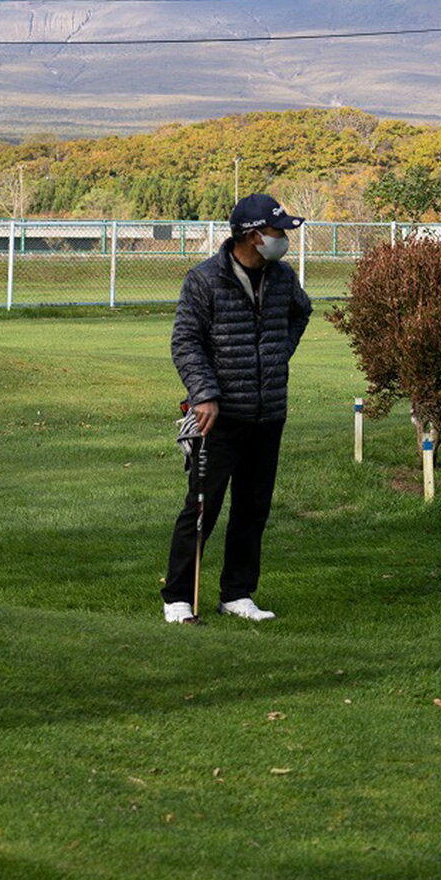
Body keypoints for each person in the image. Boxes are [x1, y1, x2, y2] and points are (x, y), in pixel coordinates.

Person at [161, 193, 312, 624]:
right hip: (219, 416)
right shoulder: (205, 279)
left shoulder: (283, 277)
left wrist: (278, 353)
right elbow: (185, 341)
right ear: (252, 234)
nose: (283, 238)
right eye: (277, 230)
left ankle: (237, 593)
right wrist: (205, 392)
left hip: (268, 413)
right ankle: (177, 598)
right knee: (202, 509)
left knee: (253, 507)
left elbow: (301, 313)